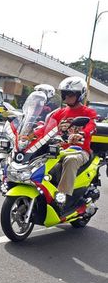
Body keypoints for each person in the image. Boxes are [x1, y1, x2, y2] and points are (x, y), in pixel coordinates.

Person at [39, 77, 97, 209]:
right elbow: (46, 128)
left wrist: (82, 133)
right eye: (65, 94)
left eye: (71, 94)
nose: (67, 97)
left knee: (70, 160)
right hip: (58, 150)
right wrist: (30, 134)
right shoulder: (59, 113)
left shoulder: (88, 112)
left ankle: (62, 197)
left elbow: (91, 126)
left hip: (79, 151)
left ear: (79, 95)